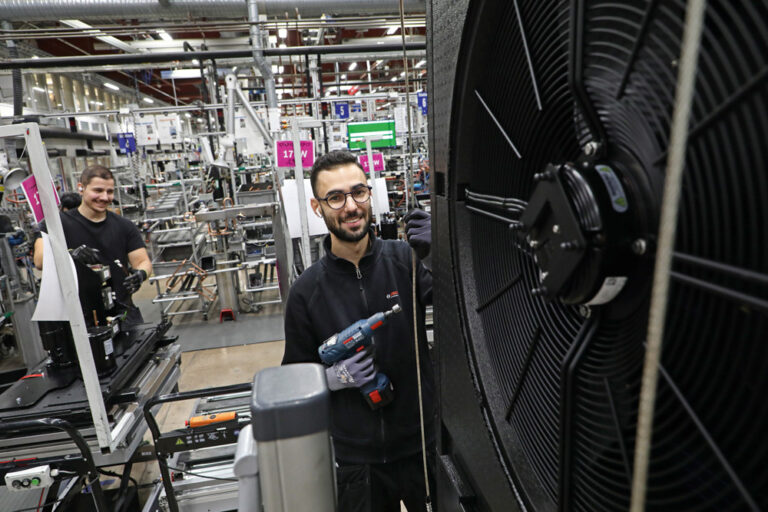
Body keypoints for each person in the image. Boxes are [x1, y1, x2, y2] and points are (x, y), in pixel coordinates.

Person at [281, 150, 434, 512]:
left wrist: (439, 251)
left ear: (370, 194)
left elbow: (463, 304)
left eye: (358, 192)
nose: (350, 206)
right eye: (335, 197)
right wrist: (330, 378)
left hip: (422, 445)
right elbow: (294, 378)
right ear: (318, 207)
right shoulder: (306, 291)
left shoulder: (406, 260)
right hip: (357, 460)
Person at [33, 165, 152, 328]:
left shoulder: (124, 226)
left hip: (123, 314)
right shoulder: (56, 224)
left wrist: (141, 274)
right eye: (98, 190)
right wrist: (70, 254)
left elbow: (142, 261)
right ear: (81, 188)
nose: (104, 197)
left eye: (109, 192)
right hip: (79, 319)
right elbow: (39, 261)